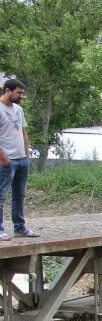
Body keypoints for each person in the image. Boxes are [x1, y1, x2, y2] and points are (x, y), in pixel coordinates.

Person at [0, 79, 38, 240]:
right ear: (8, 91)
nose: (21, 96)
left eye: (22, 93)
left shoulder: (19, 109)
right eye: (19, 93)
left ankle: (19, 227)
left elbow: (23, 132)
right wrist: (3, 158)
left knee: (19, 195)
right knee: (1, 195)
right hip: (6, 160)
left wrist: (27, 154)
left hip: (21, 158)